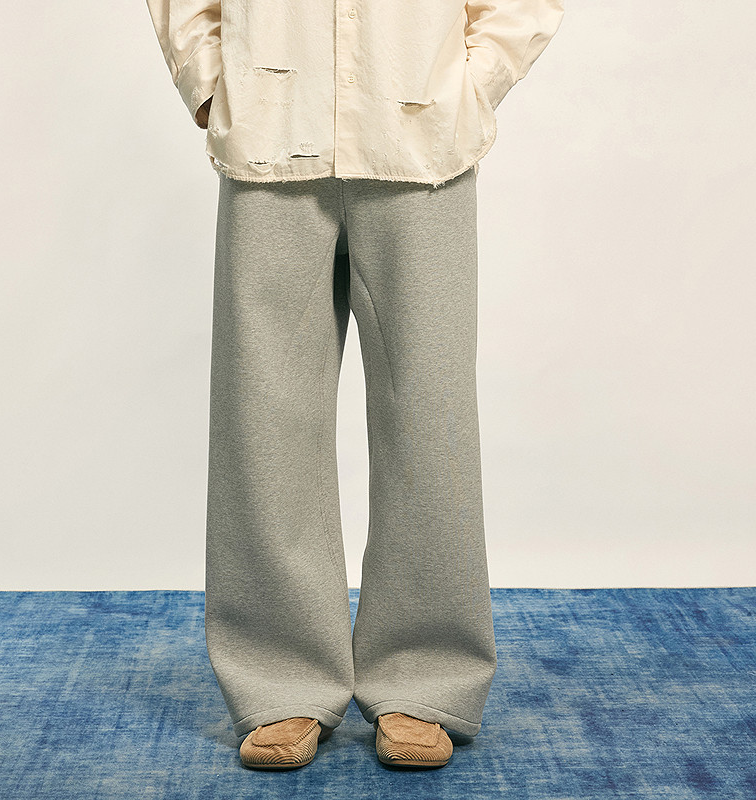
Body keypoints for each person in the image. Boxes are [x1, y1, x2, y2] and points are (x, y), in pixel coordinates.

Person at [145, 0, 564, 771]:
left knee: (431, 419)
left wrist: (471, 86)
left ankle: (426, 678)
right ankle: (280, 681)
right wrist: (207, 80)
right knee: (263, 420)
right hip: (271, 125)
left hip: (422, 133)